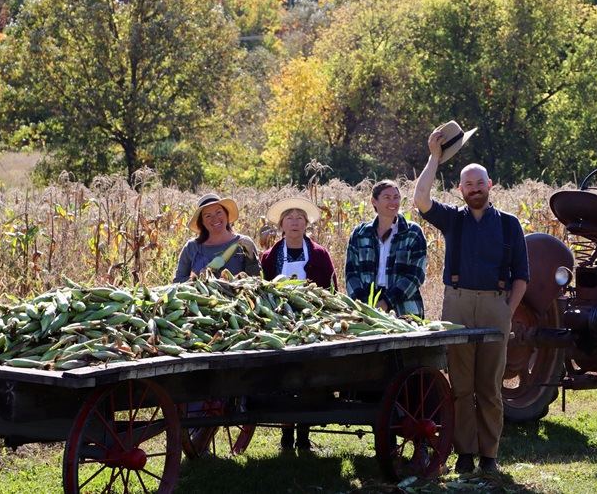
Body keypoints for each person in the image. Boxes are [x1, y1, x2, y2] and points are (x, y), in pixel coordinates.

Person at [412, 121, 528, 475]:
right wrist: (434, 158)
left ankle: (489, 457)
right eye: (468, 184)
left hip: (495, 306)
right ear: (459, 189)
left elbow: (521, 277)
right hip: (458, 304)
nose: (475, 189)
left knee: (490, 388)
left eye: (480, 183)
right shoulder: (452, 220)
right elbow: (420, 199)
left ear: (490, 186)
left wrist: (506, 312)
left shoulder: (509, 224)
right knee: (461, 387)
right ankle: (464, 454)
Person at [260, 196, 337, 452]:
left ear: (306, 224)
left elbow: (332, 291)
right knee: (285, 380)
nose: (295, 223)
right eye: (290, 218)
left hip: (312, 324)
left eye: (300, 218)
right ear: (282, 224)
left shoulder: (319, 254)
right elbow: (261, 293)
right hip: (280, 324)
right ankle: (285, 436)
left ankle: (303, 436)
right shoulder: (270, 257)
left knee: (309, 378)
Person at [344, 179, 427, 318]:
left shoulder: (413, 232)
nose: (393, 202)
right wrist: (364, 305)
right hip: (367, 308)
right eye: (387, 198)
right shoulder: (360, 233)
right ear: (374, 201)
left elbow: (415, 276)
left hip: (404, 308)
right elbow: (351, 273)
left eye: (396, 197)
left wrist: (385, 303)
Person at [173, 193, 260, 282]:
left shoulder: (244, 244)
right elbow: (177, 282)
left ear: (226, 214)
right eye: (208, 216)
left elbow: (257, 281)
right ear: (202, 222)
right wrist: (197, 278)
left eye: (218, 212)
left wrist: (251, 258)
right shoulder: (191, 247)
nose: (215, 218)